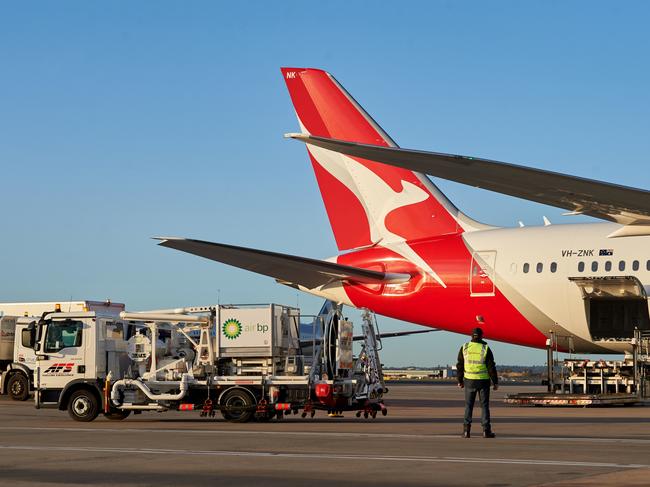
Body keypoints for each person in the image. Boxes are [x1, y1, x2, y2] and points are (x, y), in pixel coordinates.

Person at [457, 327, 498, 438]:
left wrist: (460, 381)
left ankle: (466, 431)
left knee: (468, 406)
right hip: (483, 381)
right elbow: (491, 367)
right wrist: (495, 382)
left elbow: (460, 365)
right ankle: (486, 431)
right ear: (481, 336)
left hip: (469, 381)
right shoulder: (485, 348)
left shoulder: (464, 347)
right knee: (484, 406)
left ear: (471, 336)